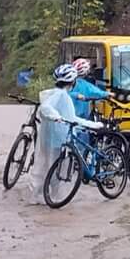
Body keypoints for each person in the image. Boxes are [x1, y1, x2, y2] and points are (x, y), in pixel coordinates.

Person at [30, 62, 100, 204]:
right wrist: (57, 117)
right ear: (72, 81)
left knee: (45, 166)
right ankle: (54, 196)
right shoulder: (62, 96)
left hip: (48, 138)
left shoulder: (53, 93)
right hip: (59, 138)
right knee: (58, 168)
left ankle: (40, 194)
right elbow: (51, 110)